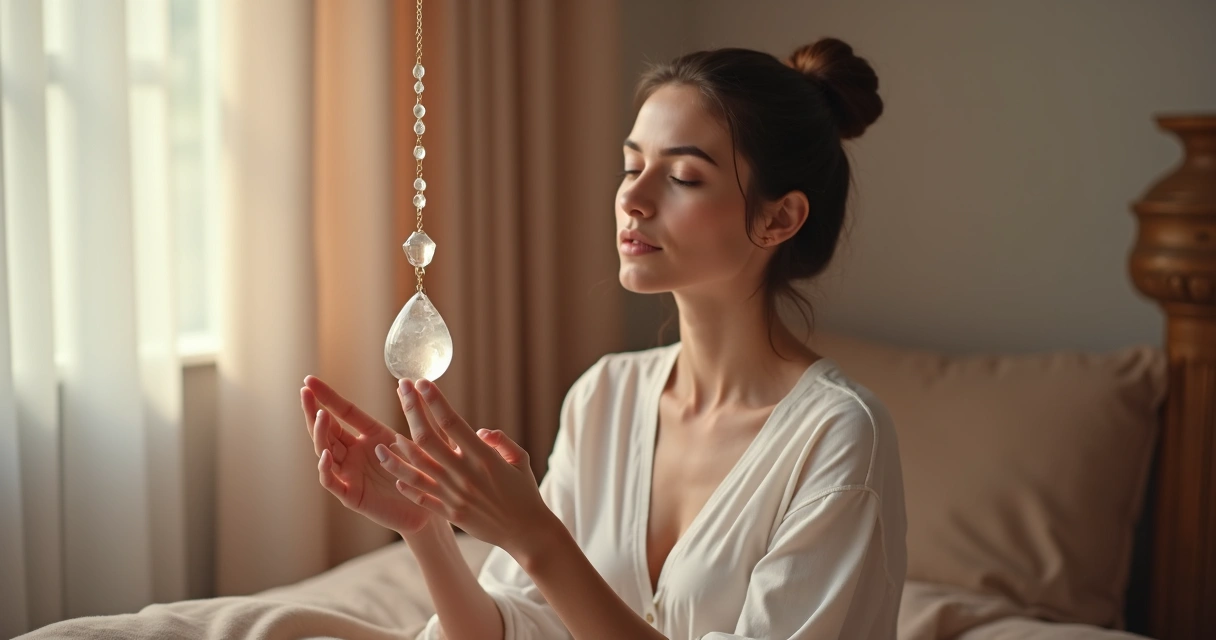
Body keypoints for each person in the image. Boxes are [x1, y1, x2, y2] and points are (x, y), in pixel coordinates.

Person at [300, 36, 906, 640]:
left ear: (778, 218)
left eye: (684, 177)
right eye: (631, 166)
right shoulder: (605, 397)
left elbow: (547, 566)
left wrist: (534, 537)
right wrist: (426, 529)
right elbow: (520, 630)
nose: (632, 200)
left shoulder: (839, 435)